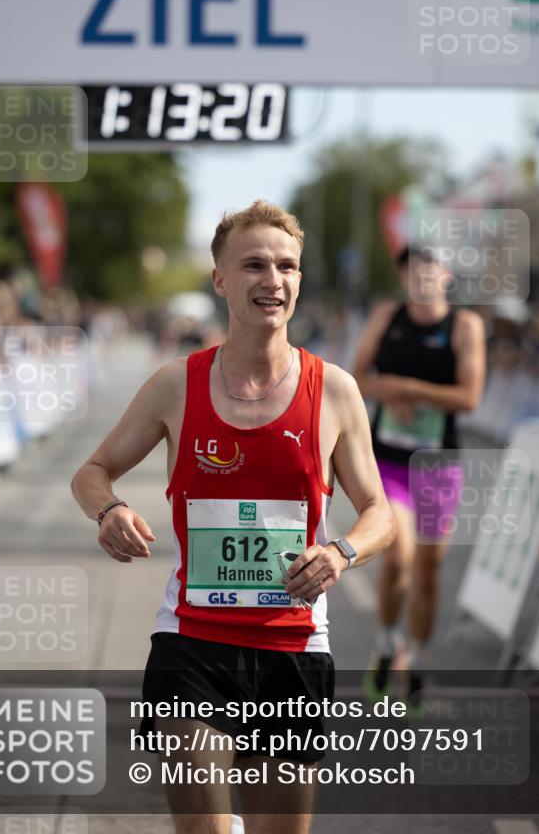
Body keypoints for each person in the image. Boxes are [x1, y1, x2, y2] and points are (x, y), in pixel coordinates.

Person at [71, 200, 396, 834]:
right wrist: (107, 509)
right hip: (191, 643)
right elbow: (92, 471)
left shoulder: (333, 389)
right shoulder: (176, 385)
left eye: (287, 267)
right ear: (219, 279)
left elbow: (379, 512)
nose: (272, 280)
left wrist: (341, 552)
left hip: (293, 647)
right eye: (253, 265)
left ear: (300, 281)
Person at [351, 245, 486, 702]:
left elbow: (469, 397)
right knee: (398, 556)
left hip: (438, 465)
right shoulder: (387, 317)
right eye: (411, 270)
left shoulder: (465, 327)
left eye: (429, 268)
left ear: (447, 276)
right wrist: (383, 392)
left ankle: (420, 659)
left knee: (429, 570)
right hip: (387, 461)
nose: (420, 277)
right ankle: (387, 642)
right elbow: (356, 378)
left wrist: (409, 389)